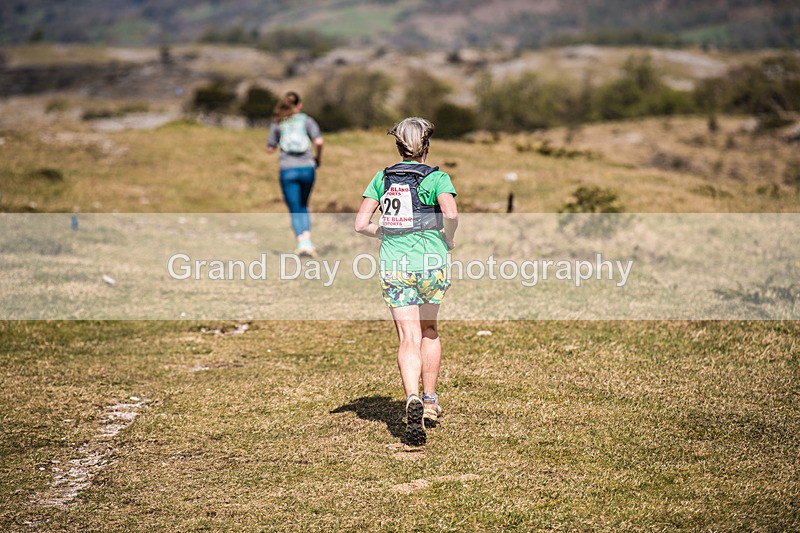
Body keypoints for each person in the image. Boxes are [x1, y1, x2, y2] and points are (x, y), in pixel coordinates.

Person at [354, 117, 458, 446]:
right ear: (426, 147)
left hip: (394, 263)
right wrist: (448, 237)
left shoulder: (382, 178)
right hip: (431, 261)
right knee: (429, 330)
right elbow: (451, 214)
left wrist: (383, 231)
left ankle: (411, 395)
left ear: (398, 147)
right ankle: (429, 401)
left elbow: (360, 224)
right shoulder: (438, 178)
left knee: (407, 336)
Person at [266, 91, 324, 256]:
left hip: (287, 168)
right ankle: (308, 242)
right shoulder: (307, 120)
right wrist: (317, 158)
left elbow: (270, 148)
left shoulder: (278, 122)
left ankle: (302, 243)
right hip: (307, 167)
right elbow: (319, 142)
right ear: (299, 105)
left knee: (294, 207)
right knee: (304, 205)